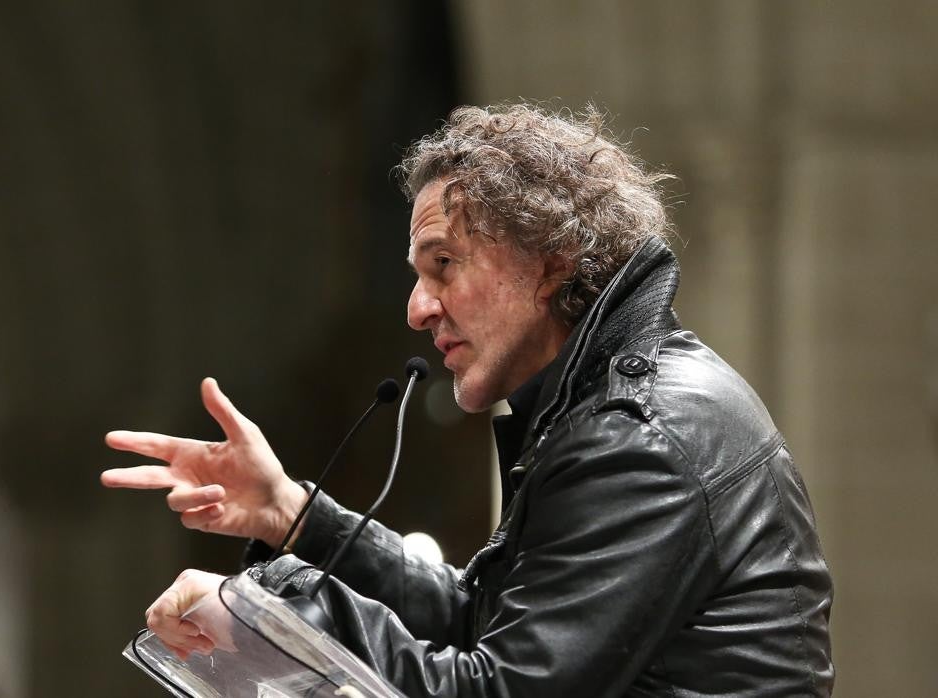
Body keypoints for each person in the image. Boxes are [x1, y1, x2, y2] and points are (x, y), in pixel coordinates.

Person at [101, 103, 834, 696]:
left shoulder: (644, 436)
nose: (418, 308)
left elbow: (496, 689)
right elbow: (483, 622)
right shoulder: (602, 412)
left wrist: (269, 603)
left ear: (551, 262)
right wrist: (295, 518)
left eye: (444, 265)